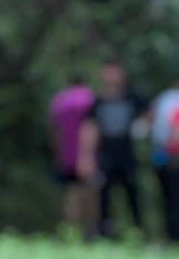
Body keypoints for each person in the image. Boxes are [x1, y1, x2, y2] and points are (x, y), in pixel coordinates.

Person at [81, 60, 147, 238]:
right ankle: (104, 233)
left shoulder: (133, 98)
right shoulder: (98, 101)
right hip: (105, 156)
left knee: (133, 194)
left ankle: (138, 232)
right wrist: (86, 157)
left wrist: (143, 127)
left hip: (128, 154)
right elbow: (90, 128)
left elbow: (149, 114)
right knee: (104, 197)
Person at [48, 74, 96, 236]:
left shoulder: (59, 101)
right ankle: (89, 231)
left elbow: (55, 131)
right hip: (87, 156)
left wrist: (58, 154)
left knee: (71, 193)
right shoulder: (90, 99)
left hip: (66, 156)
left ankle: (71, 231)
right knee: (89, 193)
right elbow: (92, 128)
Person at [149, 75, 179, 242]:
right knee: (172, 199)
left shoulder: (162, 99)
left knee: (169, 199)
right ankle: (173, 236)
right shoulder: (169, 99)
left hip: (164, 155)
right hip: (170, 156)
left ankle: (171, 235)